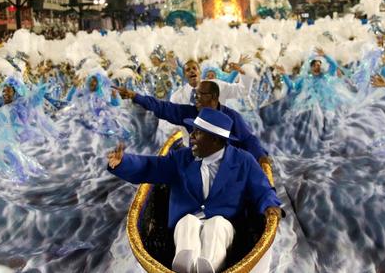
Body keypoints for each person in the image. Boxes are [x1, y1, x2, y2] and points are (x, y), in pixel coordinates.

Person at [106, 108, 281, 273]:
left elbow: (263, 188)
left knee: (217, 225)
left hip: (225, 222)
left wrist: (270, 205)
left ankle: (210, 267)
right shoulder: (180, 158)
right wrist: (123, 163)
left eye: (198, 132)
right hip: (185, 220)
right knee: (187, 222)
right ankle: (184, 267)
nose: (191, 137)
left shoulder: (243, 161)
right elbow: (151, 166)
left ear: (215, 139)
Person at [115, 81, 269, 164]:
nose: (196, 98)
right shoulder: (190, 112)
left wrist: (260, 156)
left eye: (201, 95)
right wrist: (135, 96)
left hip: (228, 167)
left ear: (214, 97)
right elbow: (163, 107)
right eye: (195, 95)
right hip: (197, 163)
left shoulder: (233, 117)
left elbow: (248, 139)